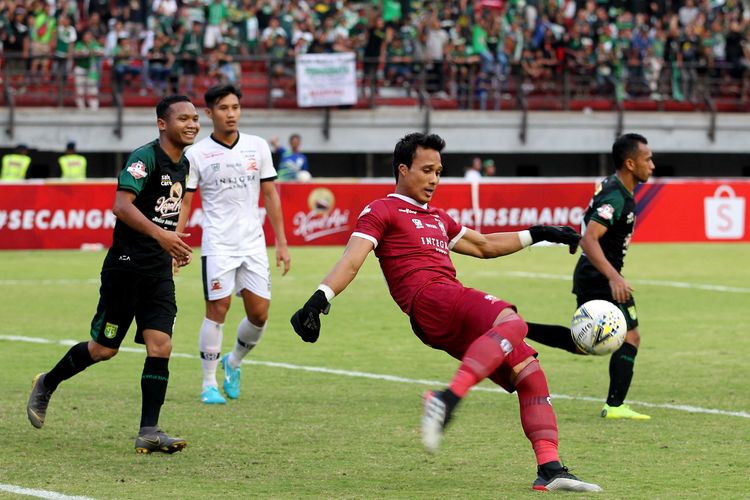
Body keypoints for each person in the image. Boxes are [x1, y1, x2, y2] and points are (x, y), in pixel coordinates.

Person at [290, 132, 601, 492]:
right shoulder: (381, 210)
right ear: (403, 169)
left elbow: (484, 245)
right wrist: (319, 299)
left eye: (439, 171)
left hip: (445, 310)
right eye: (426, 170)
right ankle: (446, 397)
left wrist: (541, 232)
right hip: (430, 298)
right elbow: (352, 260)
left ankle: (549, 469)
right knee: (511, 321)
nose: (434, 179)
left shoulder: (438, 216)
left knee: (529, 373)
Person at [26, 95, 200, 454]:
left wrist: (174, 245)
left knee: (161, 345)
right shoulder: (144, 158)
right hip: (126, 266)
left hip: (157, 271)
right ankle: (47, 382)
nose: (193, 124)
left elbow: (174, 207)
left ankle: (149, 430)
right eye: (183, 118)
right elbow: (121, 206)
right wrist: (161, 235)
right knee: (104, 349)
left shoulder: (184, 164)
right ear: (162, 124)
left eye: (196, 118)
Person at [525, 133, 655, 420]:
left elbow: (588, 227)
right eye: (648, 159)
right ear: (631, 163)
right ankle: (615, 405)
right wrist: (614, 277)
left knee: (583, 344)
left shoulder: (616, 188)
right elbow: (591, 239)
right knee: (630, 337)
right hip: (599, 275)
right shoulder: (614, 195)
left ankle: (519, 328)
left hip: (596, 274)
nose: (653, 165)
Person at [177, 84, 291, 405]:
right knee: (218, 310)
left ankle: (233, 362)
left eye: (236, 108)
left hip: (253, 245)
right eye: (224, 108)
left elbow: (270, 194)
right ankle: (208, 383)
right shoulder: (196, 154)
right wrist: (178, 241)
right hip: (218, 245)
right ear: (209, 113)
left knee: (259, 314)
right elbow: (186, 202)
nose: (231, 114)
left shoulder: (257, 147)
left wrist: (281, 242)